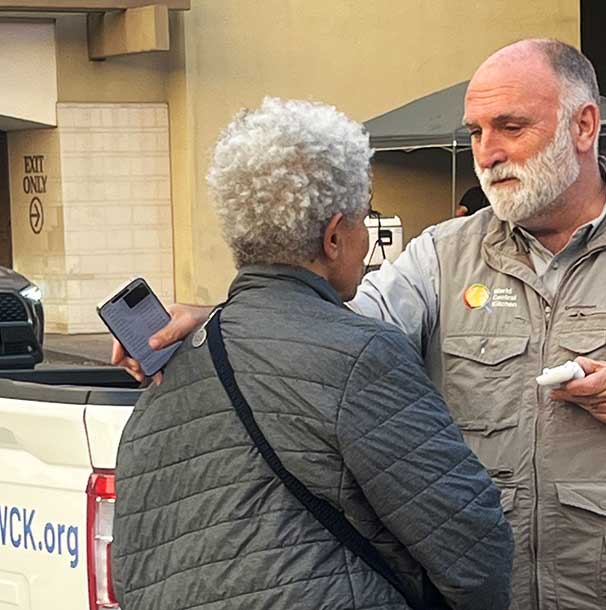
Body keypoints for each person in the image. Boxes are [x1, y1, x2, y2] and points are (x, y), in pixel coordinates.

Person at [115, 40, 606, 609]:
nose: (488, 151)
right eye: (476, 131)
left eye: (512, 127)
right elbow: (337, 332)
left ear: (583, 126)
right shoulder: (442, 256)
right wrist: (232, 316)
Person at [110, 97, 513, 610]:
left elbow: (134, 568)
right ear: (333, 237)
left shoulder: (171, 370)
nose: (367, 244)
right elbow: (474, 550)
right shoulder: (363, 355)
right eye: (365, 222)